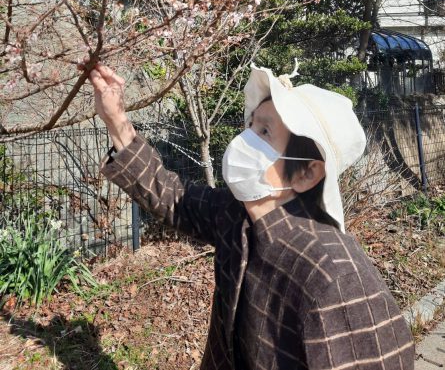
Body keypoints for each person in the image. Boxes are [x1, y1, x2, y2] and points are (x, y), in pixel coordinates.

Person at [90, 62, 415, 370]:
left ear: (306, 173)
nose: (243, 141)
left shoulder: (335, 273)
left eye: (264, 133)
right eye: (251, 125)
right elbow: (175, 199)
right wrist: (116, 120)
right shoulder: (236, 215)